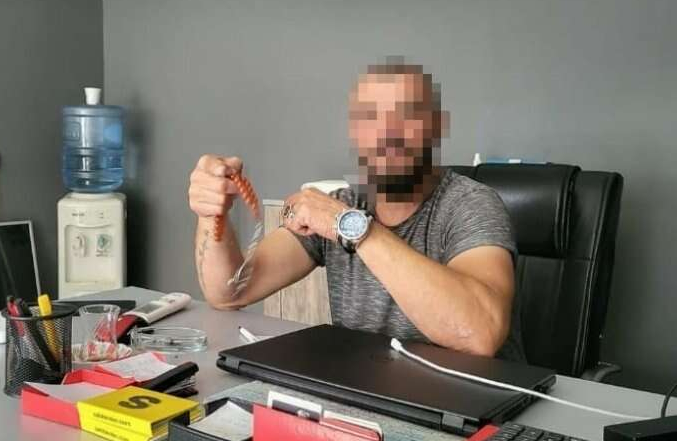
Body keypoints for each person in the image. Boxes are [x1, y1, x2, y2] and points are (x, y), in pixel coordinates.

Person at [188, 60, 525, 361]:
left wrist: (352, 227)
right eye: (370, 118)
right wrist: (211, 215)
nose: (387, 133)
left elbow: (480, 334)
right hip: (368, 396)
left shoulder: (471, 204)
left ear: (437, 127)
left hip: (472, 405)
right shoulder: (343, 204)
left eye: (406, 114)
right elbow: (230, 292)